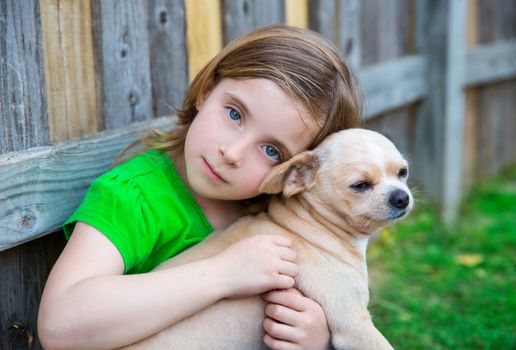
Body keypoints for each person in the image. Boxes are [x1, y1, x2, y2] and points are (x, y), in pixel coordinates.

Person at [38, 25, 361, 350]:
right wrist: (223, 274)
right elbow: (60, 324)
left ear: (298, 174)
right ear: (207, 90)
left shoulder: (279, 215)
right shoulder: (135, 196)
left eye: (271, 151)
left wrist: (318, 334)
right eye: (234, 114)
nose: (232, 154)